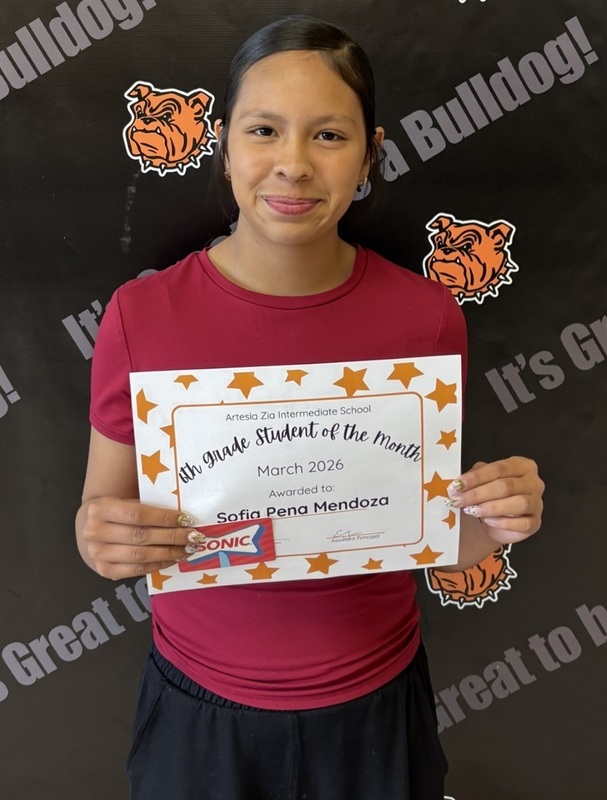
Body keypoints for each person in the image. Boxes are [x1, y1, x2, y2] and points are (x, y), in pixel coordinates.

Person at [75, 15, 544, 800]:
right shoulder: (140, 316)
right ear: (224, 144)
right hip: (201, 718)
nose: (291, 165)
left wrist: (495, 519)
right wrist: (100, 537)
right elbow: (106, 515)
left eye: (328, 136)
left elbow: (443, 542)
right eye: (265, 130)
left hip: (375, 711)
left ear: (369, 154)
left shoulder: (425, 317)